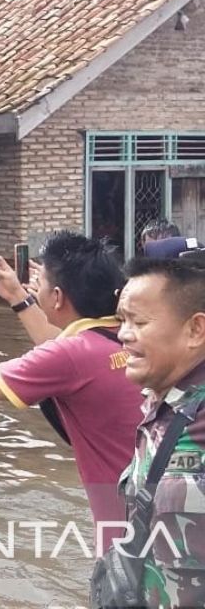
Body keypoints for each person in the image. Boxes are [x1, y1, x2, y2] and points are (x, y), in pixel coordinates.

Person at [0, 231, 143, 544]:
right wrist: (17, 296)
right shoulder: (128, 334)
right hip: (164, 512)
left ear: (58, 297)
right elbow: (60, 347)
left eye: (42, 282)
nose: (35, 286)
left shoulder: (72, 355)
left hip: (127, 531)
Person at [114, 257, 205, 608]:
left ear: (196, 329)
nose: (123, 334)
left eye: (138, 321)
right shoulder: (162, 402)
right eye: (122, 320)